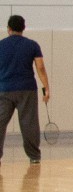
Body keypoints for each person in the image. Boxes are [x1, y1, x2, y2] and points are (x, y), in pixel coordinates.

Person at [0, 15, 49, 166]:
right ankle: (34, 156)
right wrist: (46, 87)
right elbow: (40, 67)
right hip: (27, 89)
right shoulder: (32, 45)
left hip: (4, 89)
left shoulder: (1, 45)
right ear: (24, 28)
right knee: (29, 124)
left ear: (8, 29)